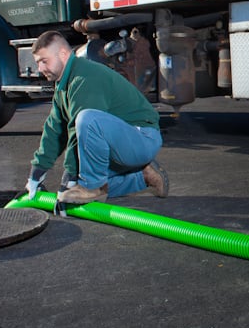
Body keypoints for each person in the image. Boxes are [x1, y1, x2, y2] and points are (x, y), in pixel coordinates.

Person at [25, 30, 168, 204]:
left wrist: (69, 180)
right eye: (37, 63)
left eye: (44, 61)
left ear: (63, 54)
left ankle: (93, 189)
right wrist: (37, 173)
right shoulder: (64, 85)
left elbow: (78, 133)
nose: (40, 69)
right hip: (120, 143)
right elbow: (55, 129)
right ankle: (143, 177)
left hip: (142, 138)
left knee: (87, 120)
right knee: (78, 185)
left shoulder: (84, 77)